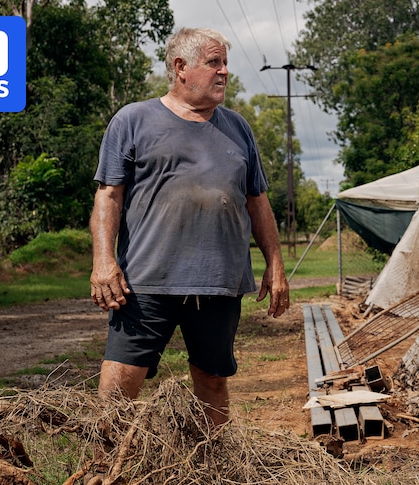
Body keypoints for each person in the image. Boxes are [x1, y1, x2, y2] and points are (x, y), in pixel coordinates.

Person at [89, 27, 290, 427]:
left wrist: (276, 264)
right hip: (145, 282)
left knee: (213, 382)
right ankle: (102, 469)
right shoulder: (133, 120)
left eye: (225, 63)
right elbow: (108, 197)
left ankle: (214, 465)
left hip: (218, 282)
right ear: (181, 67)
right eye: (214, 63)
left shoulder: (238, 128)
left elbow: (257, 201)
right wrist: (103, 261)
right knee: (119, 385)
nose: (225, 72)